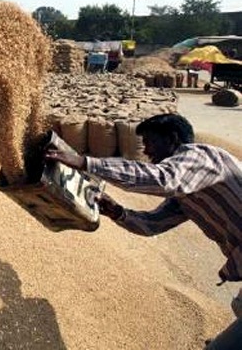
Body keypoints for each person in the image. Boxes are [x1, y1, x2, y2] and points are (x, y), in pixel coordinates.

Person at [45, 114, 242, 348]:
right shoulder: (189, 188)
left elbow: (162, 179)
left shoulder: (198, 157)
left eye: (150, 142)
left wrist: (86, 163)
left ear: (173, 139)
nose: (147, 152)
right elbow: (154, 224)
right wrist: (119, 213)